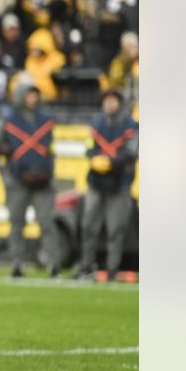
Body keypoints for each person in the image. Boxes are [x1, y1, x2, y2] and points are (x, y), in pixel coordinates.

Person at [0, 80, 60, 278]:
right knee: (17, 223)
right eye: (28, 94)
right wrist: (4, 173)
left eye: (35, 94)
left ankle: (53, 264)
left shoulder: (45, 119)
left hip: (43, 181)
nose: (32, 98)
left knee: (47, 222)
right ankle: (17, 264)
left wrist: (51, 172)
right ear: (20, 95)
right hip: (17, 180)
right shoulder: (8, 119)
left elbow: (50, 149)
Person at [76, 90, 138, 281]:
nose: (109, 104)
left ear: (120, 103)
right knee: (89, 227)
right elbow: (89, 147)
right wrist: (94, 159)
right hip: (96, 182)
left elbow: (132, 152)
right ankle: (86, 267)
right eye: (107, 100)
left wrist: (112, 163)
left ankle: (112, 269)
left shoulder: (131, 126)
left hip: (120, 184)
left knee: (116, 229)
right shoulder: (97, 123)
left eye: (113, 100)